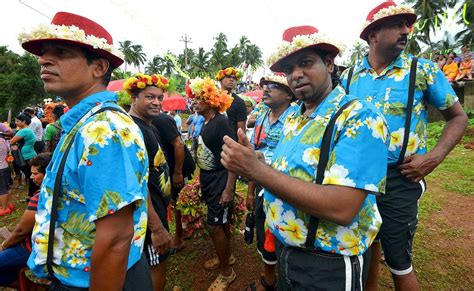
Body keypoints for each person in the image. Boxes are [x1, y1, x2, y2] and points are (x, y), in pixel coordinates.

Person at [221, 25, 389, 290]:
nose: (296, 74)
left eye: (306, 63)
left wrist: (258, 171)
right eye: (288, 70)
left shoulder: (359, 118)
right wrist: (256, 162)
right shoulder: (295, 117)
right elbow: (293, 173)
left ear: (330, 64)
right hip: (288, 251)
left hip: (327, 264)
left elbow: (342, 208)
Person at [20, 12, 152, 289]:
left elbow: (116, 238)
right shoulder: (84, 123)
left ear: (99, 67)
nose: (44, 60)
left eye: (61, 52)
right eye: (43, 54)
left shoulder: (105, 129)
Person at [341, 2, 468, 290]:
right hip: (356, 179)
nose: (405, 30)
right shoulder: (348, 77)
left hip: (400, 178)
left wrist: (434, 157)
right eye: (397, 24)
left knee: (399, 261)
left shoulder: (421, 70)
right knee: (363, 246)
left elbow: (458, 118)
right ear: (373, 34)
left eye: (407, 24)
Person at [245, 73, 298, 291]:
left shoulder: (299, 118)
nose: (265, 90)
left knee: (287, 236)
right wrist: (250, 190)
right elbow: (253, 154)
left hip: (289, 189)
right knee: (263, 232)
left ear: (288, 94)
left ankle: (288, 279)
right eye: (264, 86)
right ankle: (269, 280)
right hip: (261, 187)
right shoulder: (262, 117)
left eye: (273, 86)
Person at [186, 77, 237, 290]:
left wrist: (228, 189)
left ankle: (227, 272)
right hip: (209, 179)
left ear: (212, 100)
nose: (195, 102)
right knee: (221, 222)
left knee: (214, 225)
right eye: (194, 98)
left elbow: (234, 157)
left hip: (220, 180)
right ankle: (227, 256)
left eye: (200, 99)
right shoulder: (205, 122)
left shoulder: (221, 122)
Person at [125, 73, 173, 291]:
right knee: (157, 265)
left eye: (160, 98)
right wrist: (156, 228)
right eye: (149, 97)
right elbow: (136, 184)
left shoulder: (148, 126)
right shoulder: (132, 129)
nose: (157, 102)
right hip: (147, 218)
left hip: (156, 207)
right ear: (133, 98)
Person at [0, 152, 51, 287]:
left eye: (35, 174)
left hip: (34, 249)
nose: (31, 177)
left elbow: (22, 231)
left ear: (48, 174)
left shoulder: (41, 197)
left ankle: (32, 288)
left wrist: (4, 245)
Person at [152, 111, 195, 253]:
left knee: (178, 200)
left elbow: (179, 144)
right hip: (167, 168)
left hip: (179, 167)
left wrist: (178, 172)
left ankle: (179, 237)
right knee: (175, 200)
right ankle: (186, 227)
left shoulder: (161, 120)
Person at [9, 113, 38, 198]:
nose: (16, 123)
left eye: (17, 121)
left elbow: (11, 141)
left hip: (26, 156)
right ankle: (32, 194)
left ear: (24, 121)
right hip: (30, 154)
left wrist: (13, 144)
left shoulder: (24, 131)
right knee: (31, 176)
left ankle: (32, 195)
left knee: (31, 176)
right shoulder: (28, 130)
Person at [216, 67, 248, 134]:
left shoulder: (240, 102)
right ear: (220, 79)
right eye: (228, 77)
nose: (231, 80)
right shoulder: (212, 99)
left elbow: (241, 131)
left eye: (234, 78)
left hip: (231, 141)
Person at [0, 133, 12, 216]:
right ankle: (8, 204)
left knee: (2, 189)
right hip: (5, 166)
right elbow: (8, 150)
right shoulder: (4, 140)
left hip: (0, 168)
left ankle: (3, 208)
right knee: (7, 186)